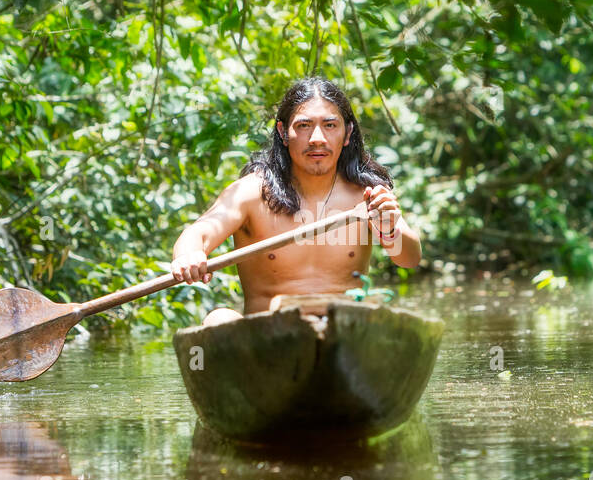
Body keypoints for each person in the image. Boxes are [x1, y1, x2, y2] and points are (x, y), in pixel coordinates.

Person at [170, 76, 422, 325]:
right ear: (283, 132)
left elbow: (409, 259)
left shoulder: (366, 196)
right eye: (303, 126)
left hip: (343, 338)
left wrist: (389, 226)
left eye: (330, 125)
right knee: (219, 318)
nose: (317, 138)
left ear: (347, 134)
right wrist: (189, 256)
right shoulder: (252, 193)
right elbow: (200, 232)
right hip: (271, 341)